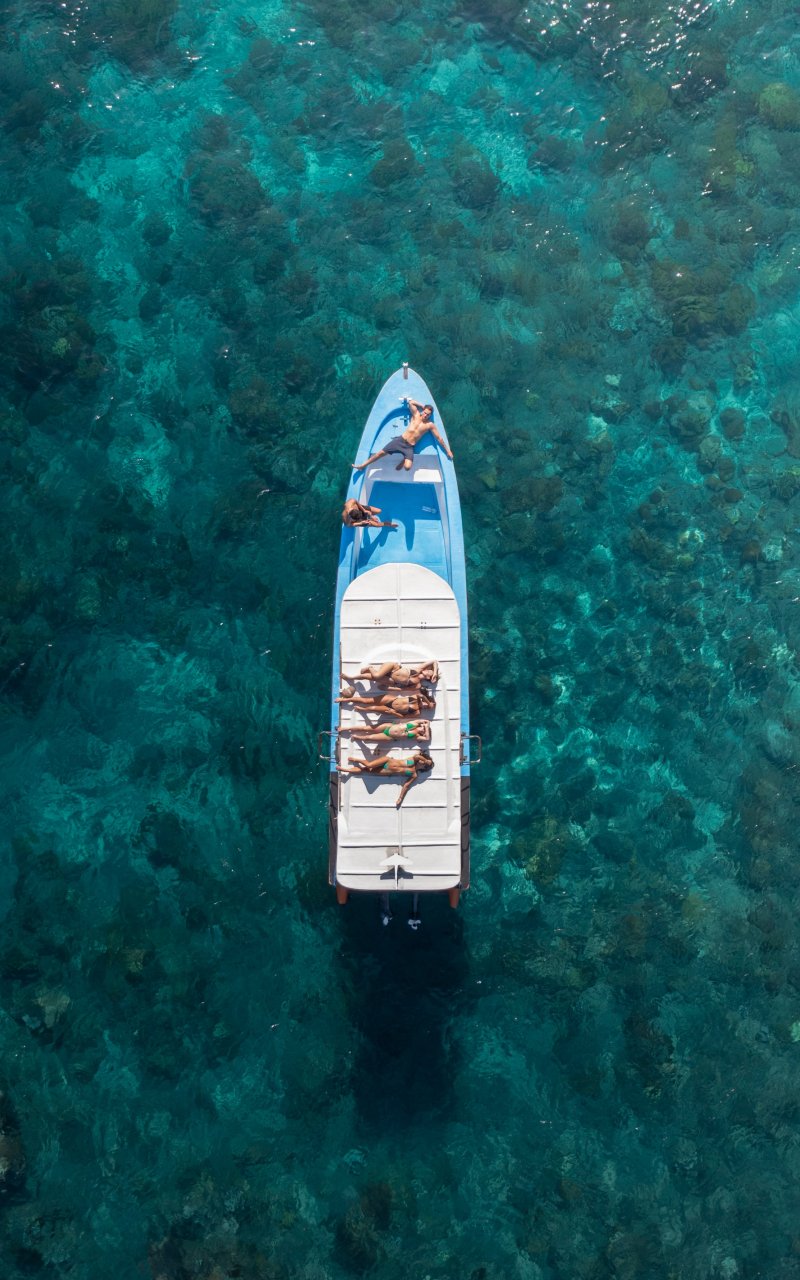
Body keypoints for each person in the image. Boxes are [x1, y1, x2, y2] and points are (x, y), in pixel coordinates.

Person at [353, 398, 454, 473]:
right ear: (423, 411)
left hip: (409, 447)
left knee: (407, 468)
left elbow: (439, 438)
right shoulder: (416, 415)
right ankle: (363, 465)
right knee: (380, 453)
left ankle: (404, 460)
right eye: (425, 412)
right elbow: (411, 402)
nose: (425, 415)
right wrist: (422, 406)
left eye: (428, 415)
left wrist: (448, 451)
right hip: (400, 441)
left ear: (430, 416)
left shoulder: (430, 425)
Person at [339, 750, 434, 807]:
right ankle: (357, 759)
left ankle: (346, 770)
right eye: (423, 761)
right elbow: (417, 756)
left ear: (424, 768)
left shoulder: (414, 775)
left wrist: (400, 798)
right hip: (388, 760)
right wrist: (426, 760)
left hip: (387, 771)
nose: (422, 763)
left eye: (424, 765)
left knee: (366, 770)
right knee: (369, 765)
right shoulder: (414, 759)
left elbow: (406, 785)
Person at [335, 689, 435, 717]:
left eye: (428, 708)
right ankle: (344, 700)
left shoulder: (417, 712)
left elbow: (403, 717)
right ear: (427, 701)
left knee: (372, 708)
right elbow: (421, 695)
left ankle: (362, 709)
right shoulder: (417, 698)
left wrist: (393, 713)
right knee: (366, 700)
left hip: (391, 709)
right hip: (390, 699)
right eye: (428, 705)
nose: (427, 707)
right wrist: (428, 702)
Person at [355, 659, 439, 689]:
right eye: (429, 670)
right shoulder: (419, 668)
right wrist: (435, 672)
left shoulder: (417, 685)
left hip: (391, 680)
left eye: (429, 672)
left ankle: (351, 677)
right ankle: (370, 668)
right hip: (393, 668)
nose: (427, 670)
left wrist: (388, 689)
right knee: (376, 676)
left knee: (371, 677)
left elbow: (403, 689)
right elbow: (434, 661)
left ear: (428, 678)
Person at [348, 719, 432, 743]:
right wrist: (426, 725)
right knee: (366, 728)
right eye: (424, 727)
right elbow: (427, 721)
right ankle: (346, 728)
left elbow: (427, 738)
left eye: (424, 731)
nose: (423, 729)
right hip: (389, 727)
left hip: (389, 736)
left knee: (369, 737)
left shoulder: (417, 736)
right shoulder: (415, 723)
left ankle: (356, 737)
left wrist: (426, 729)